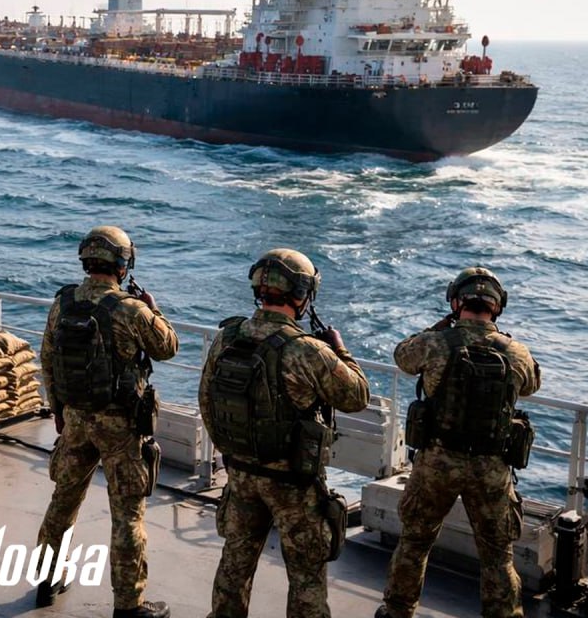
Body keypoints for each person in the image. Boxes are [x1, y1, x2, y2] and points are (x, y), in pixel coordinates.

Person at [200, 248, 369, 618]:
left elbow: (206, 402)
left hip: (241, 473)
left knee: (235, 563)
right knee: (306, 574)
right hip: (293, 483)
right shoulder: (306, 350)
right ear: (302, 294)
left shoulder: (227, 337)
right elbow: (357, 396)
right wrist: (340, 349)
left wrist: (234, 452)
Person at [377, 267, 540, 618]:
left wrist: (439, 328)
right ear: (497, 306)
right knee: (497, 555)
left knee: (415, 543)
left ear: (455, 302)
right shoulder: (515, 352)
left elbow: (403, 356)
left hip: (437, 463)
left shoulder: (435, 343)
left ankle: (396, 611)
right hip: (491, 468)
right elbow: (531, 384)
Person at [35, 226, 179, 618]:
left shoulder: (64, 302)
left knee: (63, 500)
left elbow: (47, 358)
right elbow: (167, 347)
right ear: (123, 264)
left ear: (86, 260)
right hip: (119, 427)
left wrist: (59, 410)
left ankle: (47, 580)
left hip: (75, 419)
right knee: (128, 514)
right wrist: (153, 308)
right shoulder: (131, 309)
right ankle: (129, 605)